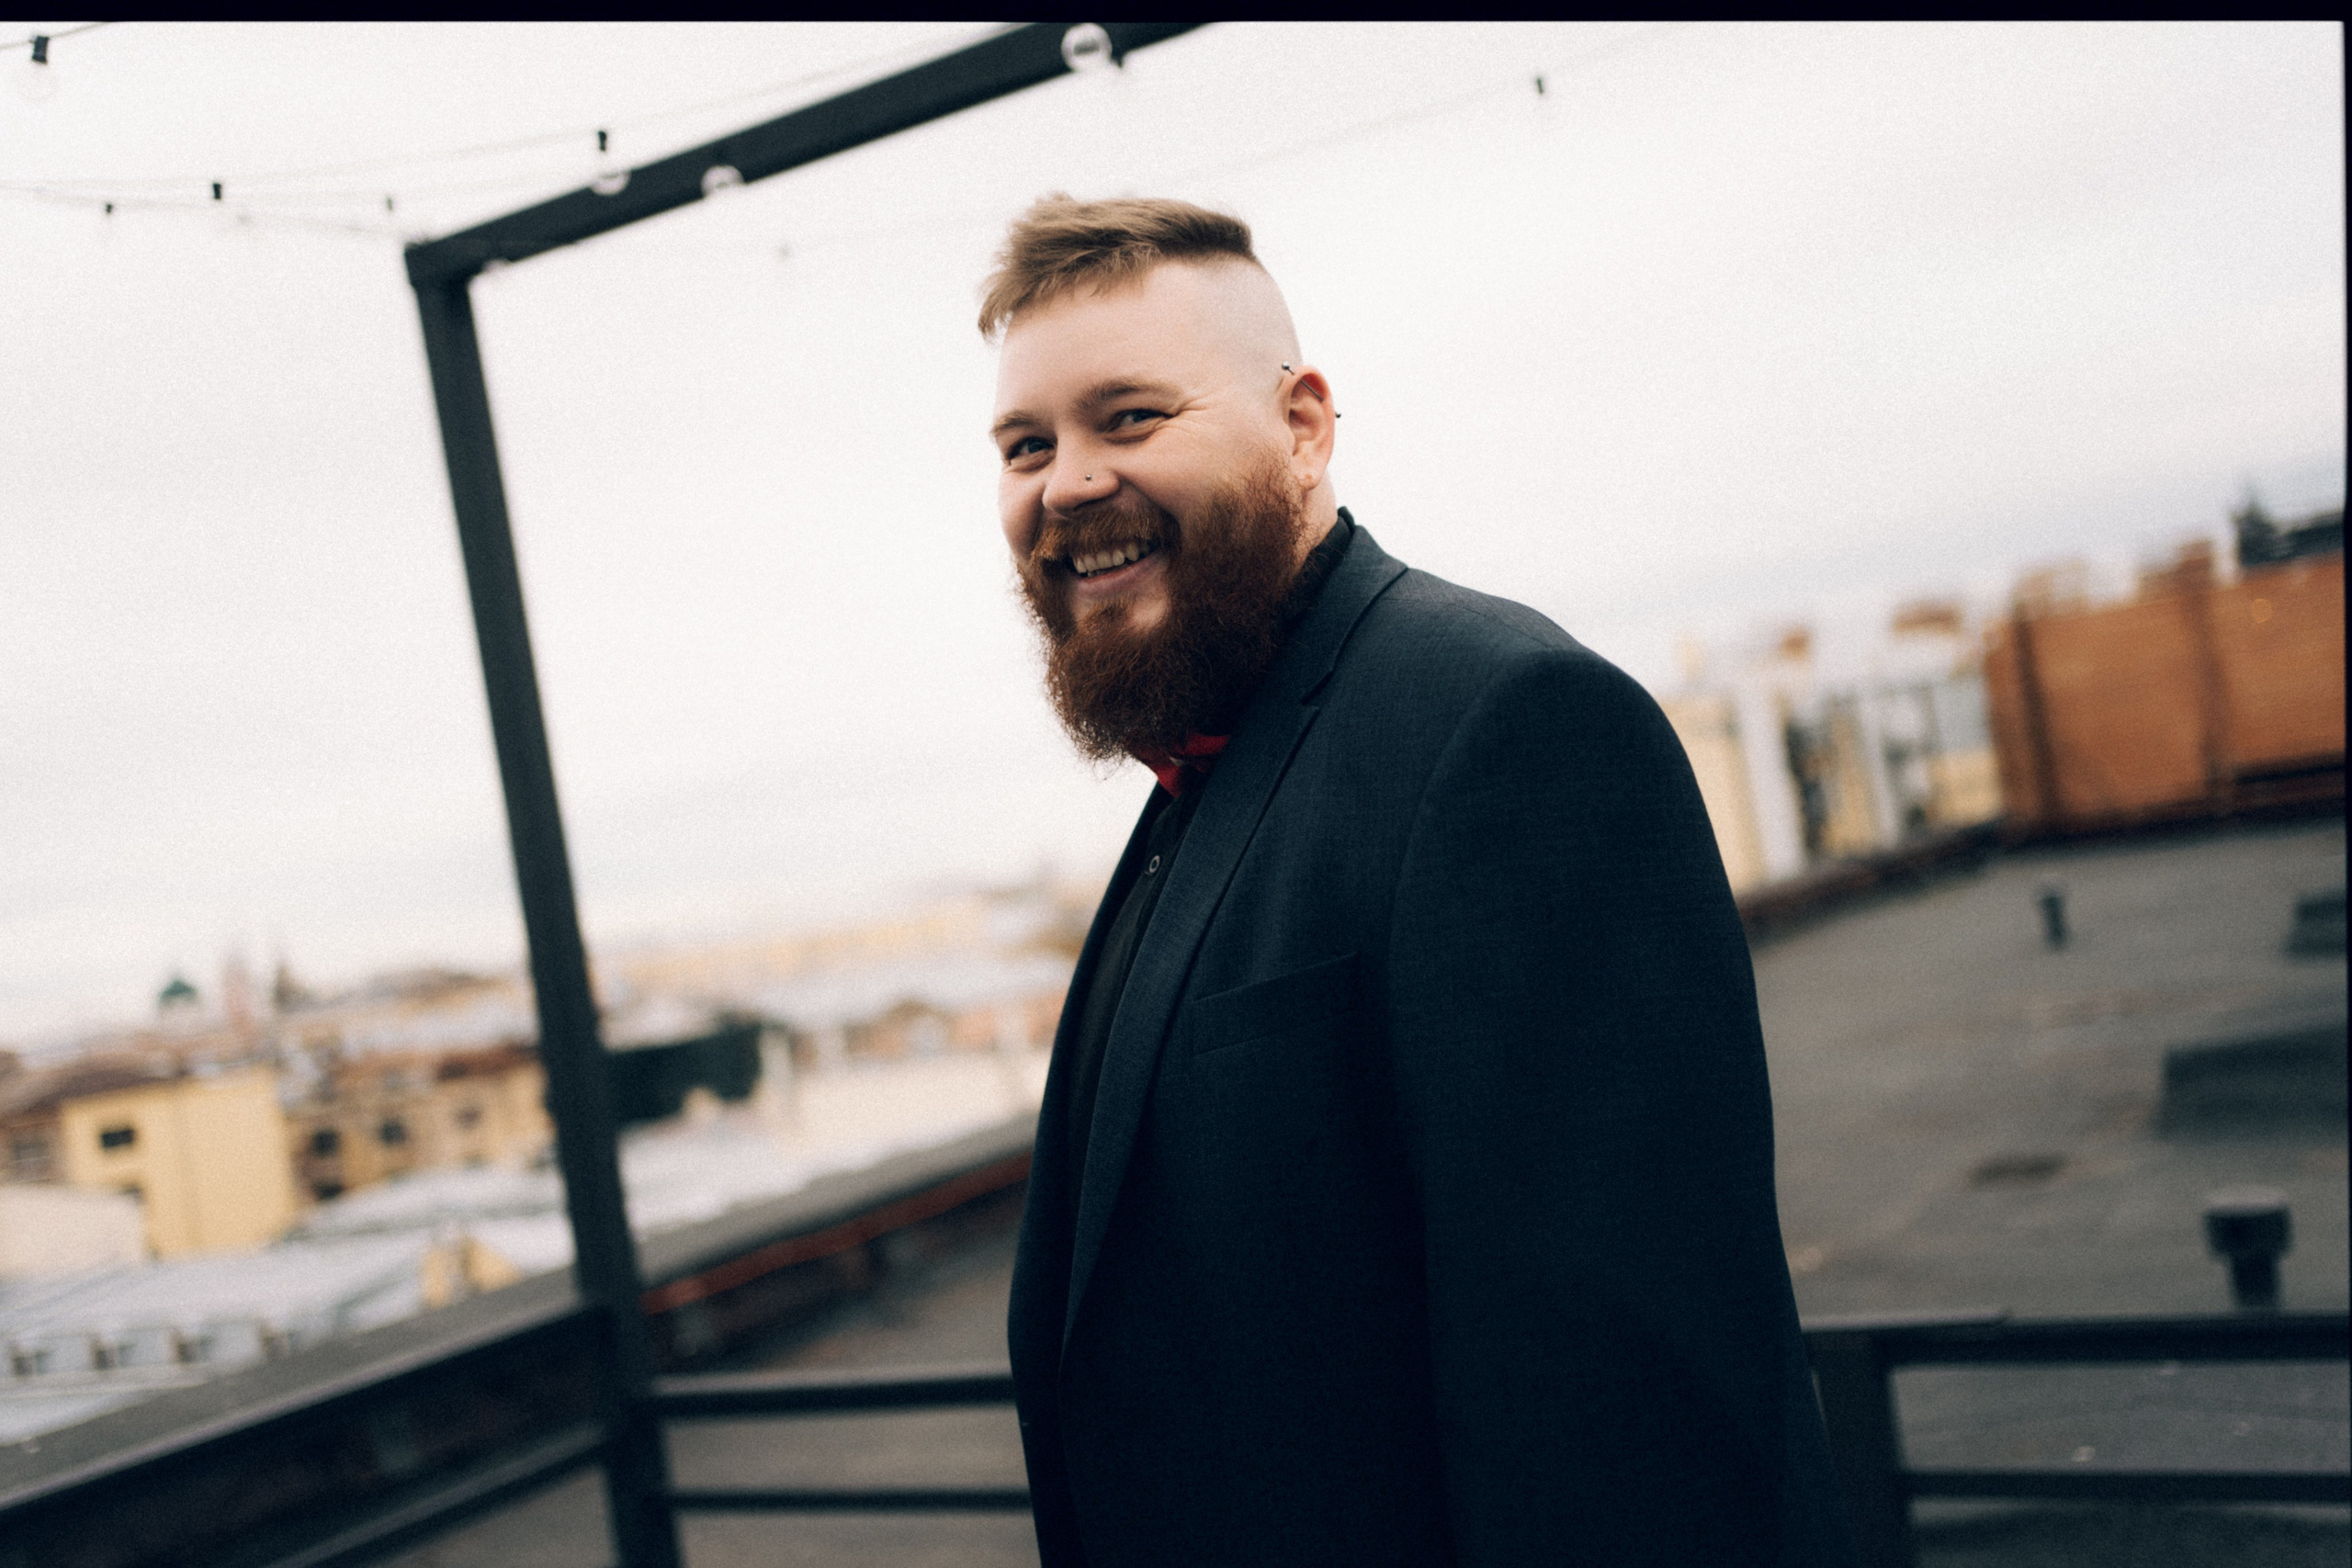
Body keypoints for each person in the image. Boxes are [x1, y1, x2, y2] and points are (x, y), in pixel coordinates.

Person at [985, 194, 1858, 1567]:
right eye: (1026, 444)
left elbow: (1634, 1429)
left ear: (1305, 424)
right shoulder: (1209, 772)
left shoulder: (1511, 726)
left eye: (1131, 417)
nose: (1067, 481)